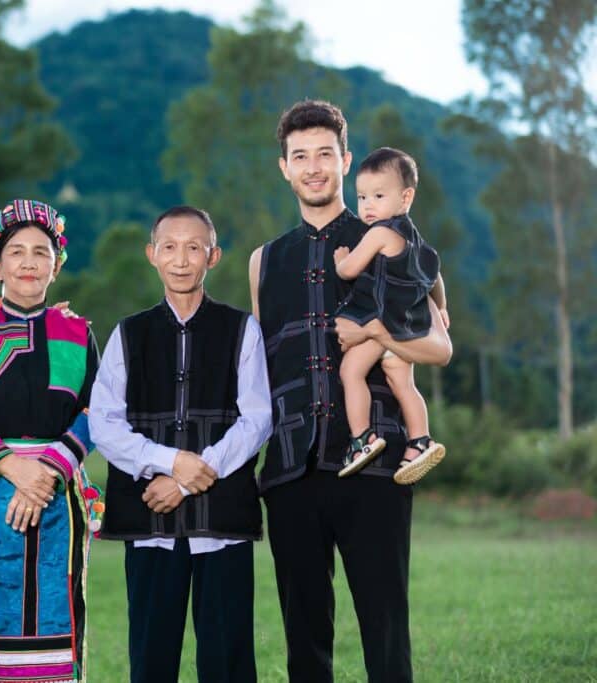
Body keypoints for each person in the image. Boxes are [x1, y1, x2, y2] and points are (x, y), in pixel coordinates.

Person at [248, 100, 452, 683]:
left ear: (346, 159)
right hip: (290, 472)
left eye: (325, 154)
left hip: (375, 466)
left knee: (386, 633)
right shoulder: (264, 261)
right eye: (300, 156)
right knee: (304, 640)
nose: (313, 167)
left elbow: (440, 349)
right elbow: (263, 368)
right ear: (283, 167)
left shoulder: (390, 240)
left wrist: (378, 330)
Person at [89, 206, 273, 683]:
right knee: (151, 656)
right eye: (169, 246)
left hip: (223, 521)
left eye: (194, 247)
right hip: (149, 518)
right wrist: (167, 463)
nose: (181, 258)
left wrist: (191, 479)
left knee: (228, 657)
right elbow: (105, 425)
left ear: (213, 257)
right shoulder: (128, 333)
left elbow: (257, 420)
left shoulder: (241, 329)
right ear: (152, 255)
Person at [0, 199, 99, 683]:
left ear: (57, 265)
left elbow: (98, 413)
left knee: (59, 606)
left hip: (60, 492)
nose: (29, 262)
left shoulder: (78, 333)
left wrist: (49, 470)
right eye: (16, 252)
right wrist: (13, 468)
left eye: (41, 251)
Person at [334, 146, 449, 483]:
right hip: (409, 329)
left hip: (381, 323)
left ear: (406, 198)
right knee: (403, 383)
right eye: (362, 197)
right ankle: (420, 441)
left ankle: (362, 439)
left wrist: (342, 258)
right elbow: (435, 276)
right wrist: (441, 308)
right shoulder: (418, 243)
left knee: (350, 371)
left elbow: (349, 270)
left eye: (378, 196)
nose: (368, 206)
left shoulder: (379, 233)